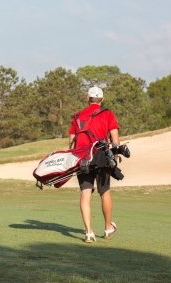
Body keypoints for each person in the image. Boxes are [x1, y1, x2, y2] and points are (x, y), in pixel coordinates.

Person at [68, 86, 120, 243]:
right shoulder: (108, 114)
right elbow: (115, 139)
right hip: (101, 157)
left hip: (82, 157)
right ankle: (107, 228)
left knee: (85, 192)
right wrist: (115, 156)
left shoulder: (77, 117)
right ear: (102, 99)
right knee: (104, 192)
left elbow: (71, 142)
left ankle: (89, 232)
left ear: (87, 98)